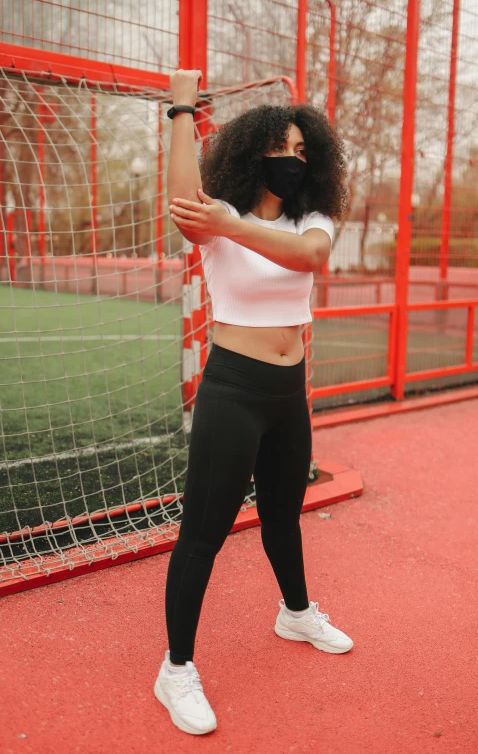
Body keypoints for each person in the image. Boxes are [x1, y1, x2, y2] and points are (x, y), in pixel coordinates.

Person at [153, 69, 353, 736]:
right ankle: (175, 668)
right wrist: (183, 105)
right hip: (233, 388)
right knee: (204, 533)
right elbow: (186, 199)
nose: (292, 161)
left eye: (302, 151)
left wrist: (228, 226)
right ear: (251, 153)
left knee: (282, 517)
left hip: (287, 393)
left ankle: (295, 611)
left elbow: (307, 259)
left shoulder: (312, 216)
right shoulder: (219, 218)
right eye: (280, 149)